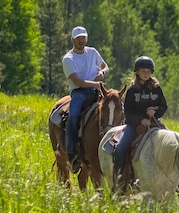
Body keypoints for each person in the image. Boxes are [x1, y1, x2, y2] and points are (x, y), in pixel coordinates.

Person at [113, 55, 168, 190]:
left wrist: (155, 111)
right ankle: (118, 181)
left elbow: (164, 106)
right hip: (134, 126)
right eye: (143, 71)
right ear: (137, 72)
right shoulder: (132, 90)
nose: (146, 74)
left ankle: (176, 182)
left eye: (148, 72)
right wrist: (140, 120)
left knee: (173, 145)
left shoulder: (156, 88)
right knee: (120, 148)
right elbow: (128, 112)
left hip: (155, 124)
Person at [62, 26, 109, 172]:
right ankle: (72, 154)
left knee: (115, 110)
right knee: (73, 116)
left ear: (86, 38)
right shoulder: (68, 59)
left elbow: (105, 66)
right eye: (78, 38)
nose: (81, 41)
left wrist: (102, 73)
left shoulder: (93, 52)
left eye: (83, 38)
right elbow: (77, 81)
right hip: (79, 93)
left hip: (97, 89)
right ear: (73, 40)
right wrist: (95, 83)